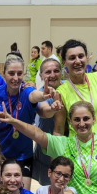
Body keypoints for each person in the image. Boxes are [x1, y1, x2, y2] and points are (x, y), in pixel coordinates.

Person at [0, 54, 61, 189]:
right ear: (3, 73)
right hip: (0, 153)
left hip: (23, 154)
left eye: (19, 73)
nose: (16, 78)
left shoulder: (26, 91)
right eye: (11, 73)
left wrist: (43, 95)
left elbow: (35, 96)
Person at [32, 58, 64, 186]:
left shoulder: (68, 89)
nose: (52, 75)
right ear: (41, 76)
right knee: (49, 188)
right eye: (48, 72)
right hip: (46, 150)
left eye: (56, 71)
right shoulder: (39, 94)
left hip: (68, 146)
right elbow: (43, 110)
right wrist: (52, 109)